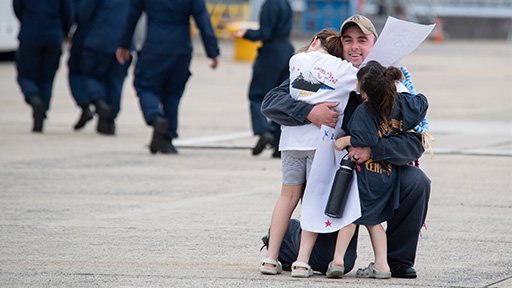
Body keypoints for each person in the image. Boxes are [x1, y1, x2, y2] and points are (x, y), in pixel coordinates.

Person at [261, 15, 431, 279]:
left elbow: (414, 142)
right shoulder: (326, 74)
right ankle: (284, 237)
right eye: (348, 40)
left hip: (376, 168)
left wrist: (372, 150)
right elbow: (271, 102)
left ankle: (397, 261)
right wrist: (310, 112)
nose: (354, 46)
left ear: (375, 45)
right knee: (329, 261)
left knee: (417, 182)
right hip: (334, 176)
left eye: (362, 40)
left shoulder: (389, 82)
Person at [293, 61, 428, 279]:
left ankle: (337, 260)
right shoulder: (402, 103)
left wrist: (345, 139)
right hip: (387, 174)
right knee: (374, 223)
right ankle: (383, 265)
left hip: (364, 175)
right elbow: (422, 103)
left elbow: (366, 139)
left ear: (365, 93)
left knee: (350, 217)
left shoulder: (365, 111)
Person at [260, 29, 358, 276]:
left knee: (287, 197)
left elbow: (293, 91)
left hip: (291, 141)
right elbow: (362, 83)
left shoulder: (297, 61)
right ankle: (302, 262)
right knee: (313, 201)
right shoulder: (345, 70)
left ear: (314, 41)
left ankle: (270, 258)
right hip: (321, 144)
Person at [116, 0, 219, 154]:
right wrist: (212, 52)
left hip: (154, 48)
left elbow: (131, 16)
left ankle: (155, 117)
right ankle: (167, 140)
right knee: (173, 94)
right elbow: (202, 19)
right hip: (181, 50)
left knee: (145, 86)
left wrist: (124, 44)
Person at [234, 0, 294, 158]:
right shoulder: (286, 3)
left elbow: (265, 33)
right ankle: (278, 143)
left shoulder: (270, 4)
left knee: (257, 95)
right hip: (286, 50)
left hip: (271, 52)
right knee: (281, 97)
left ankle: (264, 131)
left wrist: (246, 33)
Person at [13, 0, 74, 132]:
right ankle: (42, 112)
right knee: (47, 78)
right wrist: (63, 31)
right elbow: (68, 12)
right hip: (54, 36)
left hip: (30, 35)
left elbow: (17, 8)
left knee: (26, 76)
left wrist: (27, 21)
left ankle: (34, 98)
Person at [77, 0, 134, 135]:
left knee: (92, 75)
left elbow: (84, 13)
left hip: (99, 40)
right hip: (124, 43)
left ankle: (99, 101)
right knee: (116, 80)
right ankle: (110, 120)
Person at [68, 0, 94, 131]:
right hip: (111, 38)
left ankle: (86, 105)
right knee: (105, 76)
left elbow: (78, 12)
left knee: (76, 72)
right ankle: (107, 116)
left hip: (85, 35)